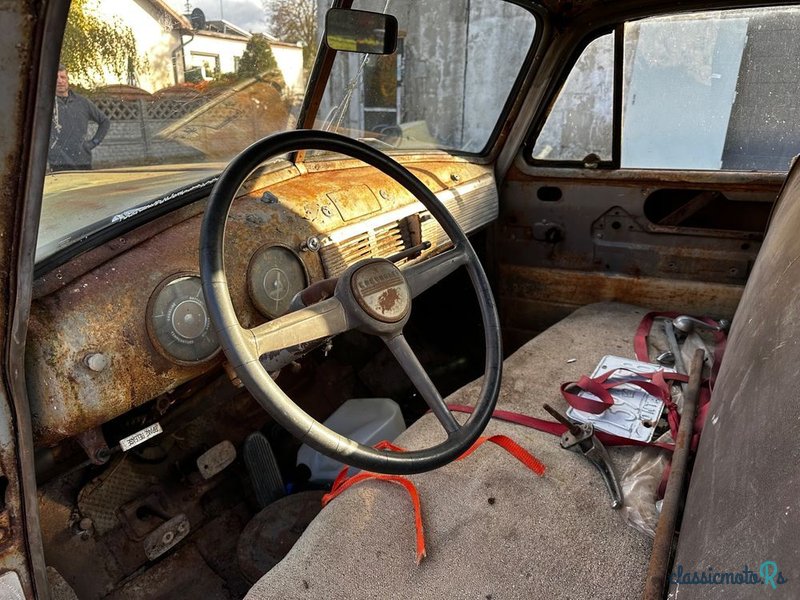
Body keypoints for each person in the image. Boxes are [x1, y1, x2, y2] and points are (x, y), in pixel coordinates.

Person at [48, 64, 110, 171]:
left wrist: (93, 143)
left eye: (63, 77)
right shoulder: (45, 104)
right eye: (56, 78)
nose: (59, 81)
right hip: (58, 164)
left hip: (83, 161)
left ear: (68, 79)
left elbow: (105, 121)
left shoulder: (82, 102)